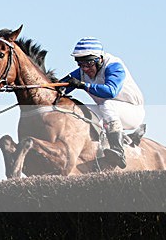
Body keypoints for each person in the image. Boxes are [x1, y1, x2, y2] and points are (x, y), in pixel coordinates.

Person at [61, 37, 145, 169]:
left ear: (99, 59)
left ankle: (118, 151)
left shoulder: (114, 66)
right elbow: (60, 87)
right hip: (108, 111)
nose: (85, 69)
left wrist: (83, 85)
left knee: (107, 104)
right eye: (80, 64)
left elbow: (111, 91)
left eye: (88, 64)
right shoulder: (82, 71)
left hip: (132, 112)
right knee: (77, 110)